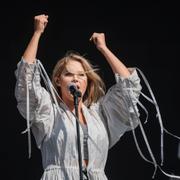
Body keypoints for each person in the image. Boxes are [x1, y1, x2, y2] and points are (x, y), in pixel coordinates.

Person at [15, 14, 142, 180]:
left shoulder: (100, 114)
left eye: (81, 75)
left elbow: (129, 88)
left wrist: (103, 48)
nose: (75, 78)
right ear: (58, 81)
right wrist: (37, 33)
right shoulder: (50, 114)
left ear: (87, 82)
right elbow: (26, 83)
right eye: (69, 74)